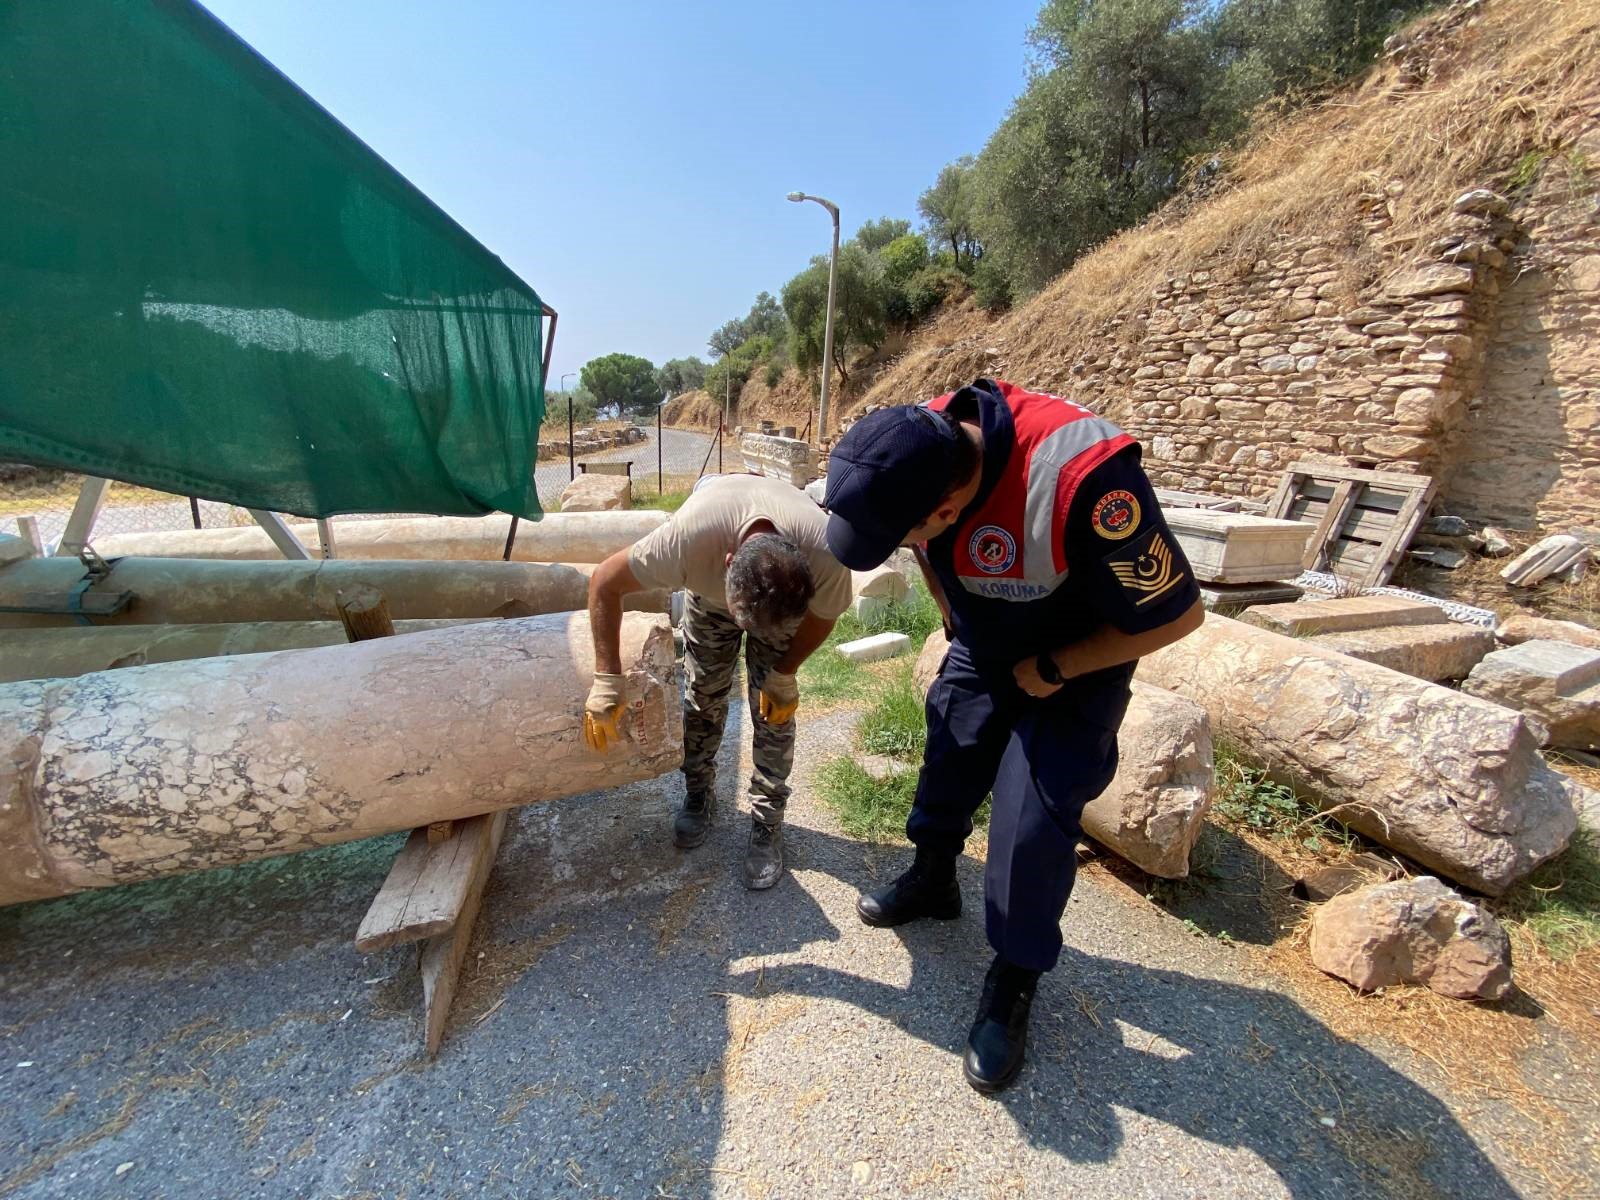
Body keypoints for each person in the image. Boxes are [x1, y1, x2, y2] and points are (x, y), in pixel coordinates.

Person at [822, 378, 1205, 1093]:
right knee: (951, 750)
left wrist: (1059, 666)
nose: (905, 545)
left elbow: (1177, 616)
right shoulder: (915, 442)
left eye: (904, 533)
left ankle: (1015, 975)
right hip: (986, 637)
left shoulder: (1086, 477)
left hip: (1081, 656)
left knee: (1031, 824)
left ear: (944, 508)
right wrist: (951, 617)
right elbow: (926, 551)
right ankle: (935, 881)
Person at [584, 473, 852, 889]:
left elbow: (825, 614)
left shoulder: (826, 554)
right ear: (727, 562)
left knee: (774, 709)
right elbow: (605, 581)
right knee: (702, 696)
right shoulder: (686, 542)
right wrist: (607, 678)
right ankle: (699, 793)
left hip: (774, 599)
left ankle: (767, 822)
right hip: (712, 600)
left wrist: (786, 671)